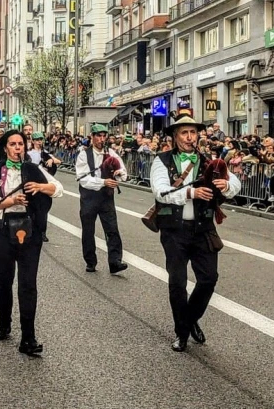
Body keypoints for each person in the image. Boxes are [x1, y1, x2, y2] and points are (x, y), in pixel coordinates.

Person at [149, 108, 241, 352]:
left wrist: (226, 184)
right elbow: (160, 192)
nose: (190, 137)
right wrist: (191, 192)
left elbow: (235, 182)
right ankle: (181, 332)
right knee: (177, 283)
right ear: (175, 137)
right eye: (184, 133)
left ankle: (188, 320)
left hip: (203, 228)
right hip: (174, 230)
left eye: (193, 132)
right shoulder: (162, 161)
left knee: (209, 278)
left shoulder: (209, 160)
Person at [0, 129, 63, 356]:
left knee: (28, 284)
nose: (17, 147)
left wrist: (40, 187)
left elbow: (58, 189)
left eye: (20, 144)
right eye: (13, 144)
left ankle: (28, 337)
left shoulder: (32, 169)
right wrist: (11, 200)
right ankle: (4, 323)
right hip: (2, 230)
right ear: (5, 147)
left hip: (30, 231)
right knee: (4, 280)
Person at [76, 123, 128, 274]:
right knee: (88, 231)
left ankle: (115, 261)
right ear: (92, 137)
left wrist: (119, 173)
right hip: (89, 197)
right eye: (98, 136)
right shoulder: (83, 155)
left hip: (106, 197)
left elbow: (123, 171)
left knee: (112, 230)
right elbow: (82, 178)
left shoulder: (111, 152)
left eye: (104, 136)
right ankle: (90, 261)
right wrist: (103, 182)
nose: (102, 139)